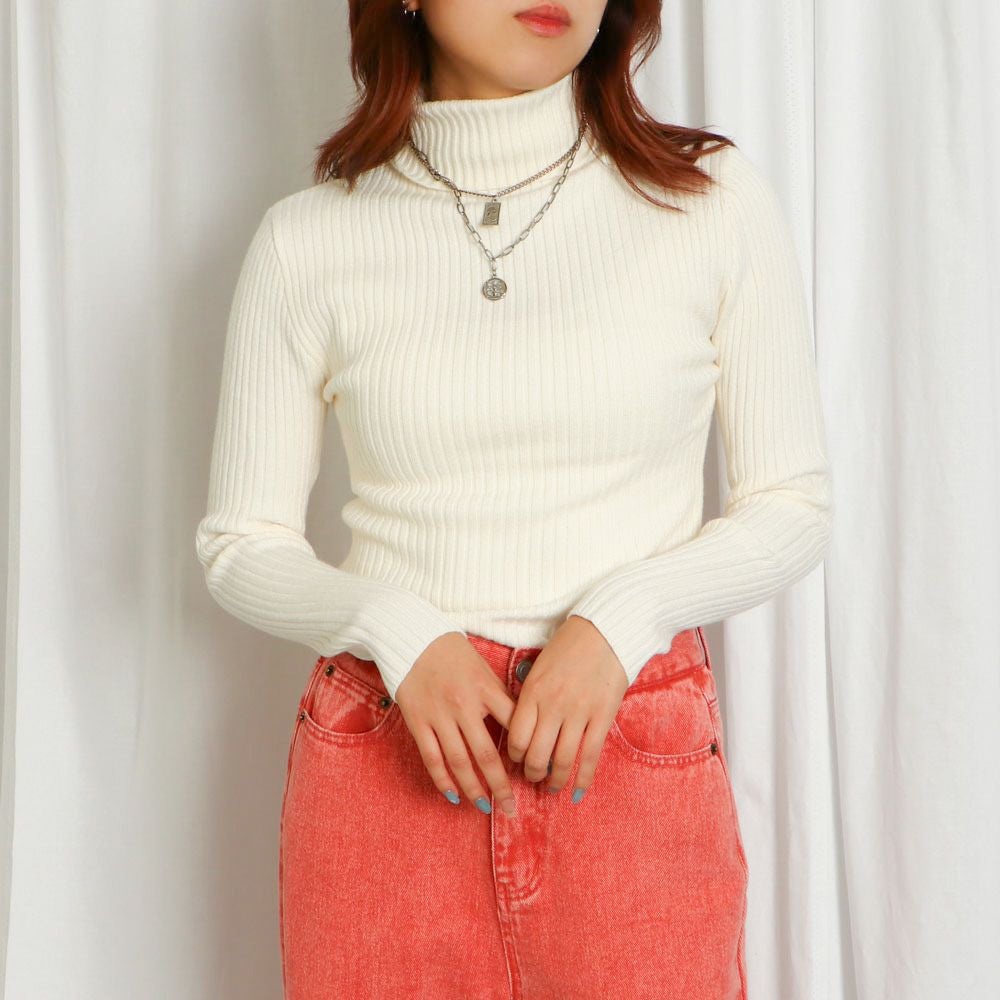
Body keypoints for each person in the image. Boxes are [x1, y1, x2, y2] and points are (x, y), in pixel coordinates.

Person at [195, 1, 832, 997]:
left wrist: (620, 621)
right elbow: (241, 542)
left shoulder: (708, 200)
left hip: (628, 748)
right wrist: (397, 630)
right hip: (391, 751)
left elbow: (791, 503)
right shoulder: (309, 238)